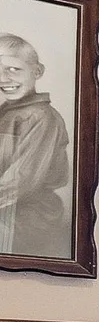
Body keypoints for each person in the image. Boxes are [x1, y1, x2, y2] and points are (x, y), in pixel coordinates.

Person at [0, 33, 73, 259]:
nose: (3, 78)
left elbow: (21, 180)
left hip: (29, 214)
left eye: (14, 69)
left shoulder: (42, 118)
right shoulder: (6, 113)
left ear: (37, 71)